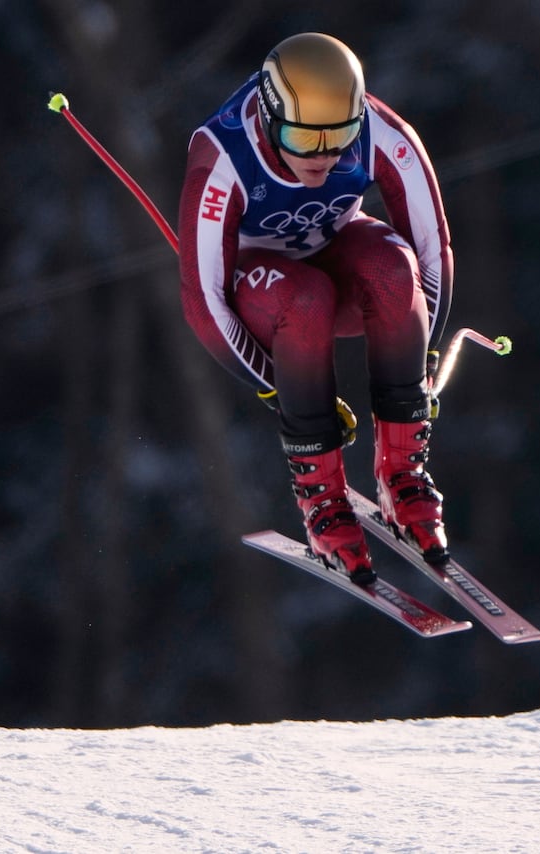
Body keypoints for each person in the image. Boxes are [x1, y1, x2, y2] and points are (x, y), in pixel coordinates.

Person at [178, 32, 454, 586]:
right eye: (304, 139)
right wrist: (277, 382)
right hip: (263, 295)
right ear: (268, 117)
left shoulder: (382, 131)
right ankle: (322, 501)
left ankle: (403, 478)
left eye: (340, 137)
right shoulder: (225, 157)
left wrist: (420, 359)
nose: (324, 157)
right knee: (306, 300)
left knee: (392, 267)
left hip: (335, 257)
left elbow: (433, 250)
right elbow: (204, 304)